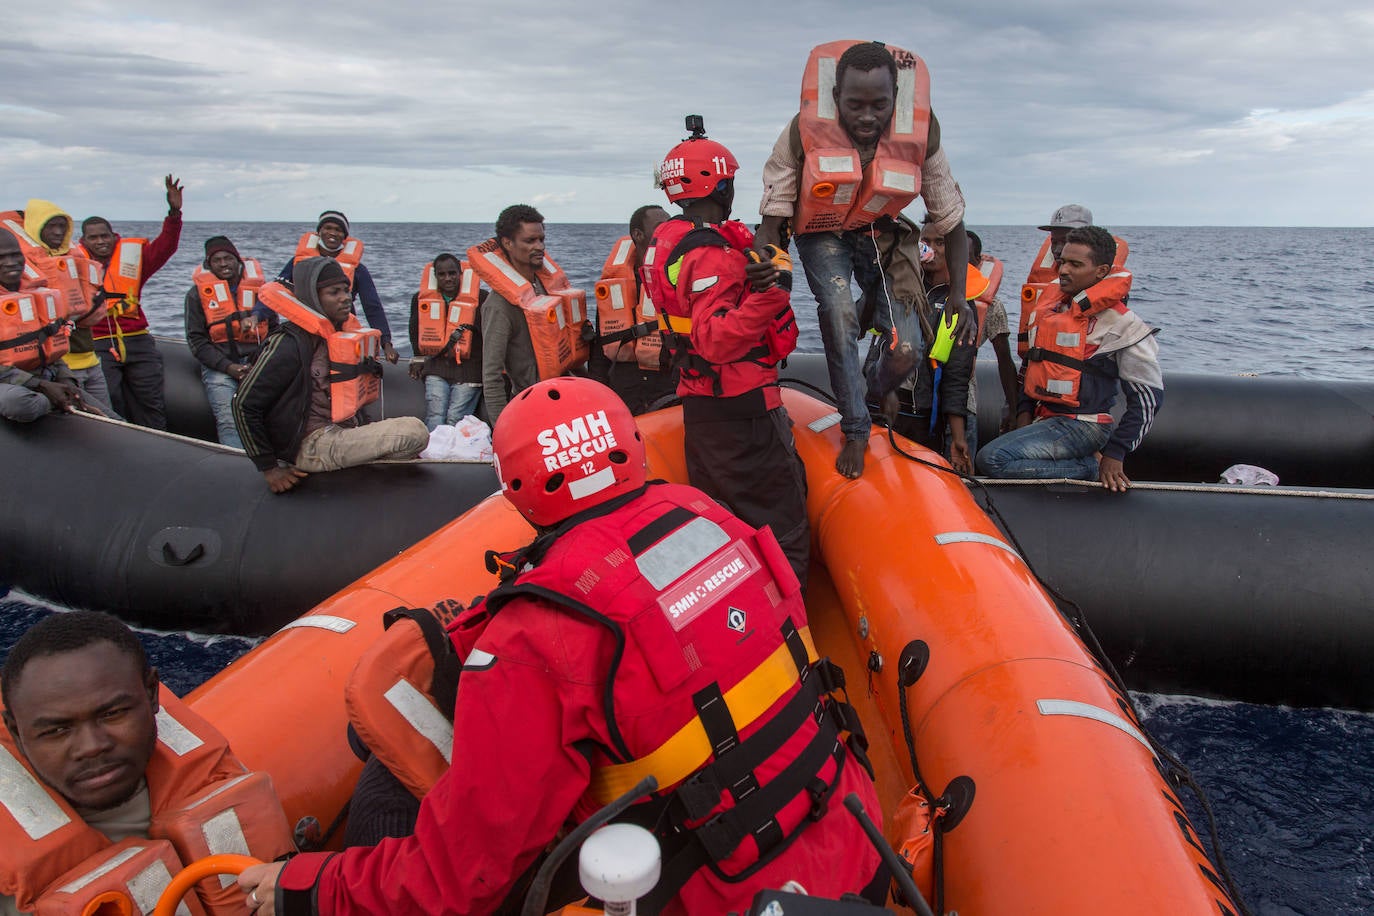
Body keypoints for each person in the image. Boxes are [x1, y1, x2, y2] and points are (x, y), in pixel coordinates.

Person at [239, 377, 884, 915]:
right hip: (851, 842)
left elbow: (462, 877)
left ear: (515, 485)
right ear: (630, 446)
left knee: (383, 796)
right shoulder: (711, 518)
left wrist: (307, 888)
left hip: (717, 889)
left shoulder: (537, 635)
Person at [757, 40, 974, 478]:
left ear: (896, 99)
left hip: (881, 231)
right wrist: (769, 260)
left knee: (908, 348)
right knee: (839, 315)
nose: (868, 117)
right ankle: (856, 428)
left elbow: (951, 221)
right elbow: (772, 216)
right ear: (836, 99)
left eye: (880, 104)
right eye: (855, 105)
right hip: (822, 233)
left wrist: (959, 295)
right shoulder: (802, 131)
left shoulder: (921, 132)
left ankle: (877, 390)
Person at [0, 611, 293, 915]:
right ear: (16, 732)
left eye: (112, 714)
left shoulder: (212, 775)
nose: (91, 747)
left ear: (152, 693)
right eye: (56, 731)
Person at [643, 120, 810, 583]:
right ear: (720, 183)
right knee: (784, 529)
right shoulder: (711, 252)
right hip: (744, 414)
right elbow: (716, 339)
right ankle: (799, 642)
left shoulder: (665, 242)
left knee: (726, 532)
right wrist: (775, 292)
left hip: (702, 411)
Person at [976, 226, 1162, 491]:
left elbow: (1148, 399)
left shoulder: (1123, 325)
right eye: (1062, 262)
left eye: (1076, 264)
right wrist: (1024, 413)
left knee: (993, 459)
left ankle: (1088, 467)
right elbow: (1035, 366)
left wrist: (1115, 454)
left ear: (1101, 272)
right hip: (1047, 418)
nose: (1063, 270)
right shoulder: (1054, 311)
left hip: (1082, 426)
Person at [232, 258, 429, 494]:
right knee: (414, 431)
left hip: (339, 429)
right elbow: (243, 404)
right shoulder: (289, 343)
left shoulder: (335, 336)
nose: (345, 297)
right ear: (313, 297)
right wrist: (269, 468)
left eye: (346, 290)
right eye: (334, 292)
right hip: (310, 444)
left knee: (406, 443)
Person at [77, 175, 185, 429]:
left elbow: (166, 247)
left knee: (151, 401)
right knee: (111, 399)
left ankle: (160, 447)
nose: (101, 241)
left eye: (105, 236)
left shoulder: (134, 263)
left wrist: (174, 213)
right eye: (94, 238)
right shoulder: (73, 267)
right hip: (98, 343)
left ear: (114, 236)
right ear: (84, 241)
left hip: (136, 339)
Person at [472, 204, 586, 425]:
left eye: (541, 240)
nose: (539, 247)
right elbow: (492, 376)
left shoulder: (546, 289)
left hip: (567, 399)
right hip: (532, 408)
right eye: (530, 241)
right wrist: (503, 431)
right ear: (508, 243)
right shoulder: (498, 305)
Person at [14, 200, 118, 416]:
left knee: (109, 419)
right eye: (51, 226)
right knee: (89, 422)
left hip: (90, 358)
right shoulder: (24, 270)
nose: (58, 232)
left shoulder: (72, 260)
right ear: (36, 227)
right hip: (64, 364)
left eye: (62, 226)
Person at [184, 235, 275, 448]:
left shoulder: (261, 291)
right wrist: (229, 367)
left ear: (238, 261)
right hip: (220, 367)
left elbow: (274, 330)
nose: (223, 263)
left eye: (228, 258)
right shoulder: (196, 295)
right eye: (217, 260)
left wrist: (264, 361)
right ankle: (237, 465)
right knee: (228, 421)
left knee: (271, 413)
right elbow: (196, 340)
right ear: (209, 264)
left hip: (257, 362)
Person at [274, 211, 399, 365]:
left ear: (345, 236)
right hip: (305, 329)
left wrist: (386, 343)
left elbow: (372, 307)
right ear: (319, 232)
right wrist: (256, 316)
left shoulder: (358, 269)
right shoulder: (299, 263)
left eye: (338, 230)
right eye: (327, 228)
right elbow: (276, 291)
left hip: (340, 331)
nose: (332, 233)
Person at [590, 204, 677, 414]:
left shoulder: (675, 280)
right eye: (659, 227)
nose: (666, 234)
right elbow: (600, 348)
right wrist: (596, 395)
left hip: (667, 385)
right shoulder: (614, 286)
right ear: (638, 234)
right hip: (624, 387)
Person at [0, 227, 91, 421]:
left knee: (113, 419)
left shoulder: (33, 294)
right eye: (1, 257)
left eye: (15, 255)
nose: (10, 263)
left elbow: (49, 346)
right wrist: (40, 386)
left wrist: (66, 378)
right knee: (18, 402)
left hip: (43, 375)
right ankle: (50, 403)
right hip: (13, 385)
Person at [407, 252, 483, 431]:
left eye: (452, 273)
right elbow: (414, 332)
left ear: (460, 274)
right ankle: (432, 454)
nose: (448, 278)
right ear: (435, 276)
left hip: (470, 370)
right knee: (435, 413)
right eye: (442, 274)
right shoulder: (420, 300)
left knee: (455, 417)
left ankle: (452, 456)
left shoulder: (482, 299)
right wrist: (418, 359)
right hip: (437, 365)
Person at [965, 230, 1020, 437]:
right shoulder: (921, 295)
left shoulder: (992, 308)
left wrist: (1013, 410)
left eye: (965, 257)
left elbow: (1004, 359)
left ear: (977, 261)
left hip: (963, 402)